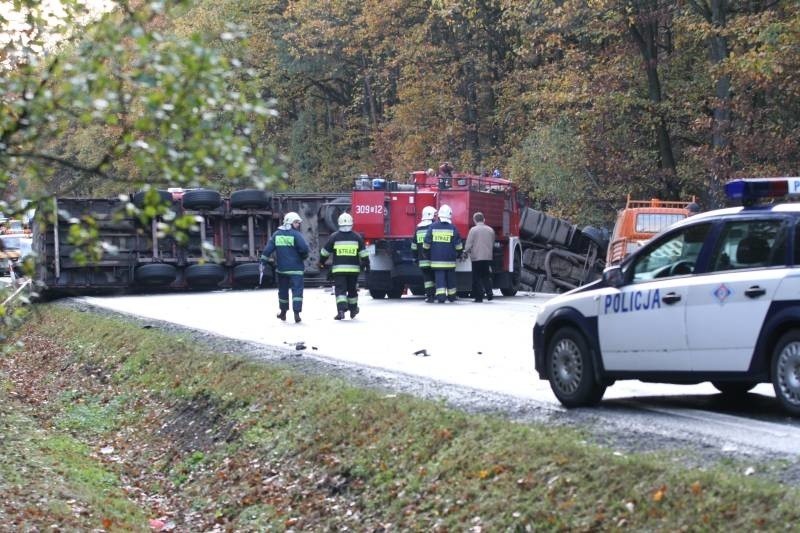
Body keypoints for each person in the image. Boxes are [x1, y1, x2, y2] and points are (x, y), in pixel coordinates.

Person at [318, 212, 369, 320]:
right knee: (352, 290)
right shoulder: (357, 237)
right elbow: (364, 254)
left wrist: (321, 262)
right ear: (351, 223)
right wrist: (366, 265)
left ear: (339, 223)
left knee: (340, 290)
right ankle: (353, 309)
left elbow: (324, 252)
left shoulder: (334, 237)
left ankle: (341, 310)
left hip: (339, 271)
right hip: (353, 270)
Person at [260, 211, 309, 323]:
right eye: (296, 222)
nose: (298, 225)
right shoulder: (296, 234)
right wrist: (303, 257)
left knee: (282, 291)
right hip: (296, 270)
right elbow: (304, 249)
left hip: (282, 270)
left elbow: (267, 250)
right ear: (291, 222)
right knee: (297, 292)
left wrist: (263, 261)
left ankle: (283, 313)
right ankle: (296, 313)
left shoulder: (276, 234)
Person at [423, 204, 463, 303]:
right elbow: (458, 245)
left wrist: (426, 253)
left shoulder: (432, 227)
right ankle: (452, 297)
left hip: (436, 261)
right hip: (450, 261)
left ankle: (441, 298)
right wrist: (459, 253)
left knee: (439, 279)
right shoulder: (453, 228)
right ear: (449, 215)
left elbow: (426, 243)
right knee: (451, 280)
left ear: (439, 215)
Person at [464, 211, 495, 302]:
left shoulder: (473, 230)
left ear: (474, 220)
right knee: (486, 275)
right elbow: (492, 242)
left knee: (476, 277)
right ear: (483, 219)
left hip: (476, 258)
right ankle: (489, 293)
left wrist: (465, 252)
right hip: (487, 257)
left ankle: (479, 297)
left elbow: (469, 244)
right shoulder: (490, 230)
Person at [411, 205, 437, 303]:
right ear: (430, 215)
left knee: (428, 279)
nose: (436, 217)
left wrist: (414, 258)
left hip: (422, 260)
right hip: (434, 259)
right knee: (436, 278)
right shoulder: (434, 227)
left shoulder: (418, 229)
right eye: (435, 215)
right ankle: (438, 295)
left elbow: (413, 246)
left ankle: (430, 296)